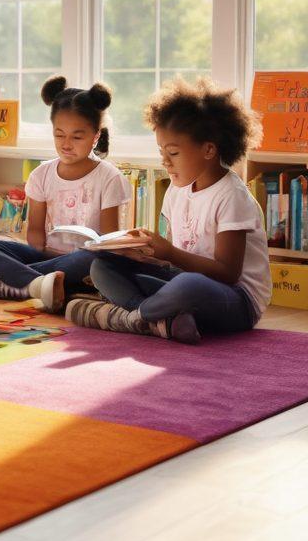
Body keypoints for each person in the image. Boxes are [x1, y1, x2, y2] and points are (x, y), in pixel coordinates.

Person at [68, 77, 268, 345]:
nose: (164, 160)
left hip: (235, 299)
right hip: (185, 284)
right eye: (161, 150)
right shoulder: (176, 191)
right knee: (102, 267)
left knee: (188, 287)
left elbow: (228, 273)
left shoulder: (231, 195)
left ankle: (136, 316)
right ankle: (160, 318)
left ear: (209, 149)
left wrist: (170, 253)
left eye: (173, 152)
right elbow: (176, 261)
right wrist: (144, 254)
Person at [0, 77, 130, 312]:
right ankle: (42, 284)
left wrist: (71, 259)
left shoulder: (109, 178)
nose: (66, 144)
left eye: (77, 136)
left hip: (83, 262)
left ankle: (17, 284)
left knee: (96, 260)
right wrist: (43, 254)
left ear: (95, 136)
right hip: (44, 257)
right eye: (59, 134)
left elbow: (109, 241)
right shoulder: (41, 175)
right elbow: (34, 231)